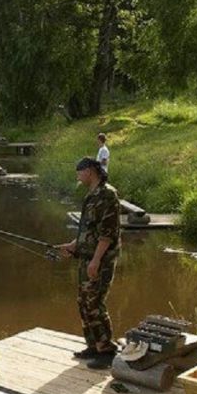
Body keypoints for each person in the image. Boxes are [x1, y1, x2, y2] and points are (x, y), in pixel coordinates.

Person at [56, 157, 122, 369]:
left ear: (91, 171)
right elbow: (88, 230)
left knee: (95, 302)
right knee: (83, 301)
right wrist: (73, 245)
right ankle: (93, 345)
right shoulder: (91, 196)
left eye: (80, 171)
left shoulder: (107, 195)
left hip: (100, 259)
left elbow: (107, 234)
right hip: (86, 256)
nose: (77, 175)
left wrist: (95, 261)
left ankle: (107, 350)